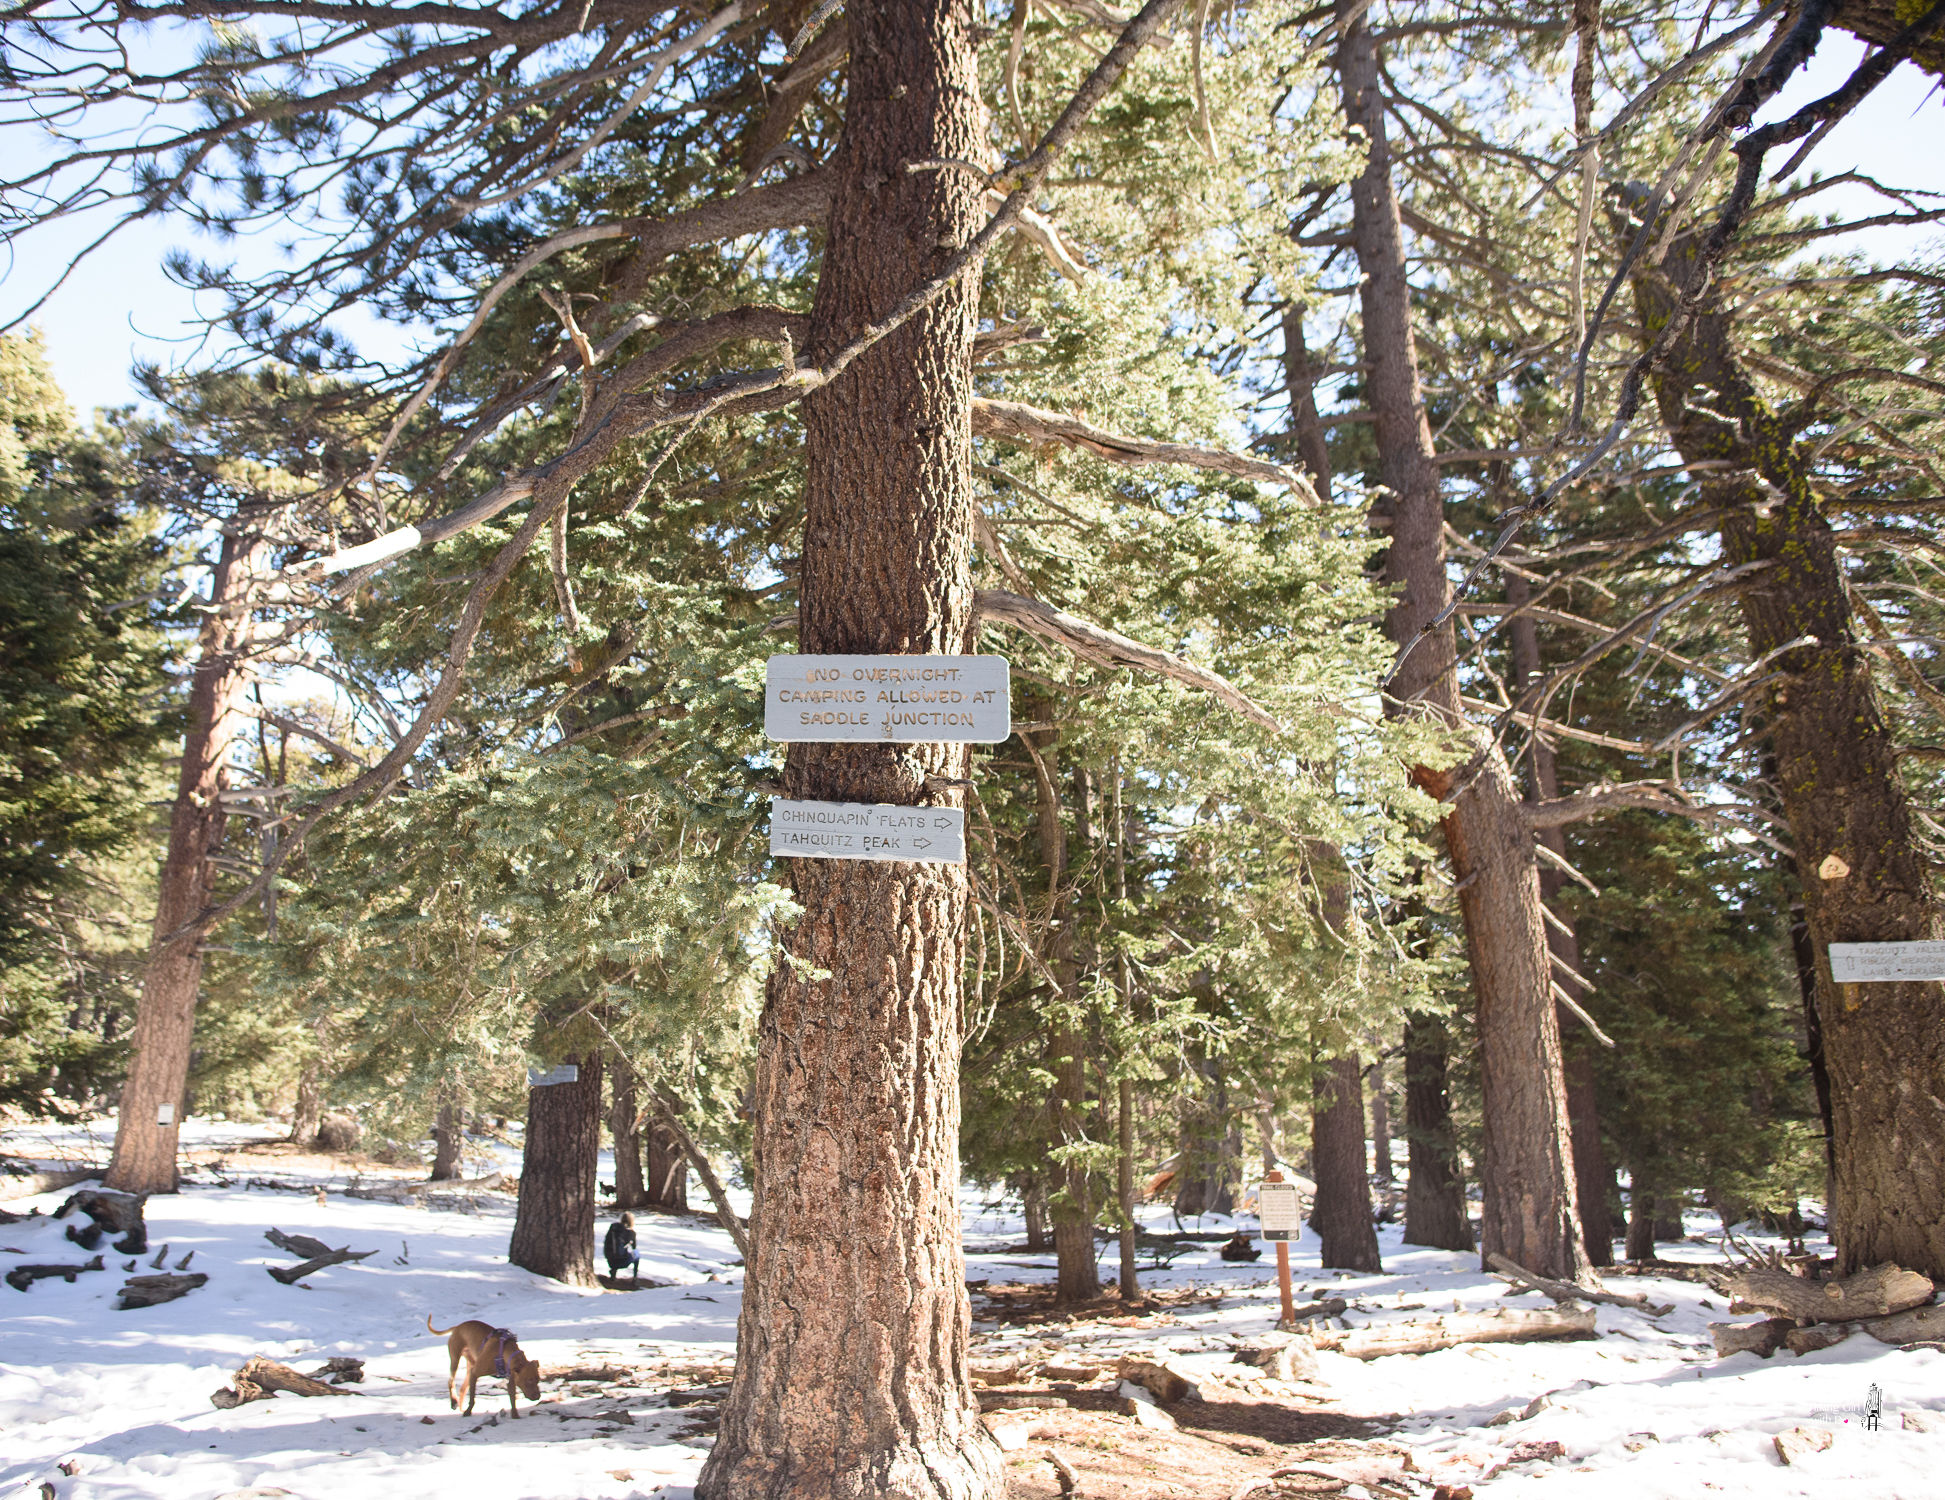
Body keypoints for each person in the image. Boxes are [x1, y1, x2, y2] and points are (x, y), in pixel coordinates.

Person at [603, 1211, 641, 1281]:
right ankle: (635, 1277)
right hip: (623, 1262)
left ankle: (613, 1272)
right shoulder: (631, 1233)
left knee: (617, 1251)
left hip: (610, 1261)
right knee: (636, 1253)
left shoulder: (613, 1230)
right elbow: (634, 1248)